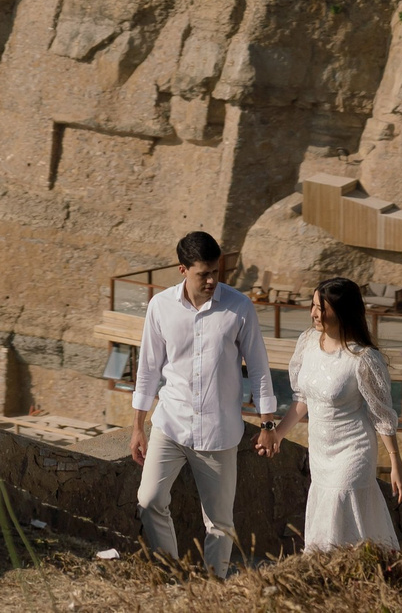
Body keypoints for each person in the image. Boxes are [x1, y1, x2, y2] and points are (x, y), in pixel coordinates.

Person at [130, 231, 279, 578]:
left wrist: (269, 424)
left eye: (217, 272)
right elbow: (149, 369)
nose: (212, 280)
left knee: (219, 523)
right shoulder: (160, 307)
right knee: (149, 499)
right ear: (183, 270)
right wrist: (138, 426)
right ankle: (169, 573)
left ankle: (212, 590)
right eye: (204, 273)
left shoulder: (239, 307)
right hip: (170, 424)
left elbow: (258, 368)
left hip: (219, 431)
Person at [277, 276, 402, 550]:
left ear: (342, 311)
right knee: (327, 511)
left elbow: (381, 415)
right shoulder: (308, 342)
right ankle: (329, 573)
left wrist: (395, 464)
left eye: (321, 308)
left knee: (341, 502)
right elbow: (302, 399)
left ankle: (361, 565)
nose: (314, 313)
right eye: (313, 306)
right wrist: (277, 434)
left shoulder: (363, 359)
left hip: (354, 450)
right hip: (321, 453)